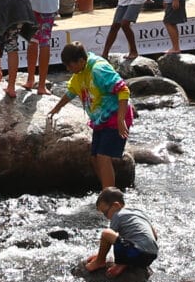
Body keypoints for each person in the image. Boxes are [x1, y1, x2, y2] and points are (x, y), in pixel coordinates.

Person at [49, 42, 133, 189]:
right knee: (94, 158)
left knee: (103, 157)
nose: (68, 69)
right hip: (101, 120)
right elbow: (71, 92)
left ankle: (111, 197)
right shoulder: (80, 73)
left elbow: (124, 90)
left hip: (115, 116)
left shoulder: (98, 70)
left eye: (70, 65)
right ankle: (107, 191)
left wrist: (121, 120)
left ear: (81, 61)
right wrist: (57, 108)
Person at [84, 187, 158, 277]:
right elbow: (155, 235)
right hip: (151, 256)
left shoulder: (118, 215)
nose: (106, 217)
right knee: (128, 242)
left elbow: (108, 238)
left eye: (105, 212)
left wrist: (100, 256)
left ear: (116, 206)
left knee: (106, 233)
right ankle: (125, 263)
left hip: (135, 252)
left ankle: (99, 262)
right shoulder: (139, 213)